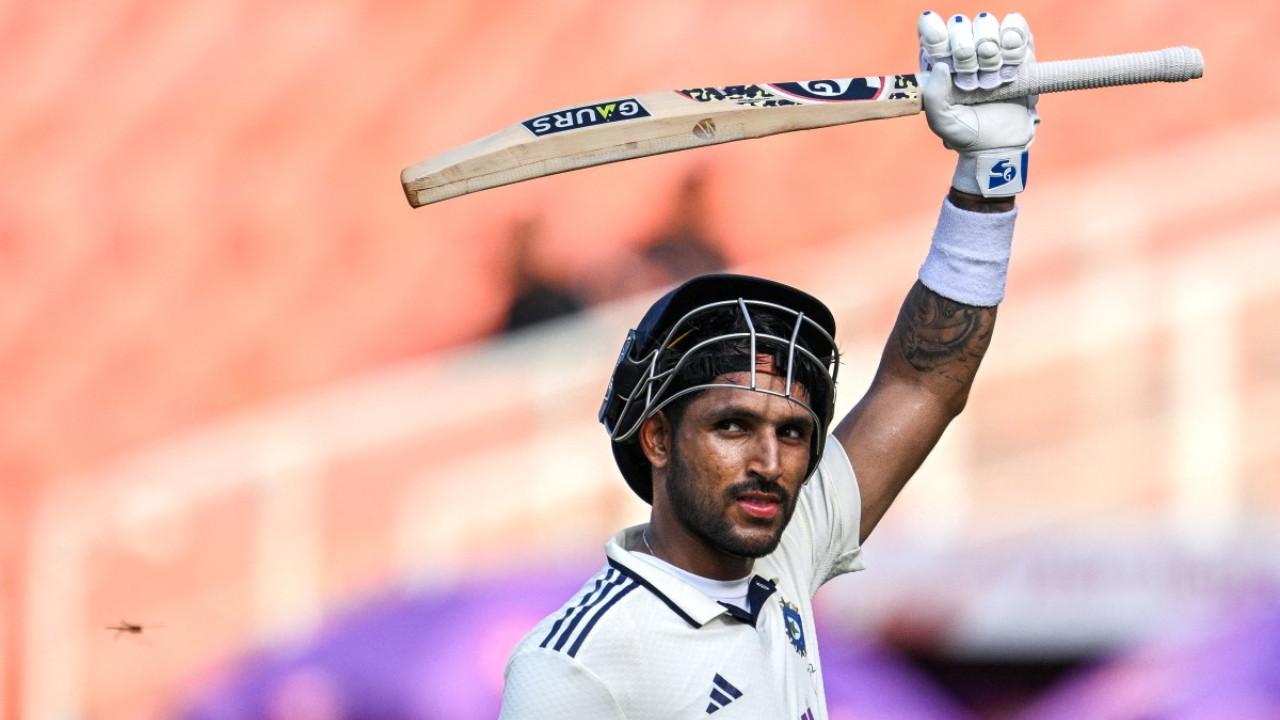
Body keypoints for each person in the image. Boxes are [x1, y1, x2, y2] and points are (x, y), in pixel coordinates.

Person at [499, 10, 1039, 719]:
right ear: (657, 437)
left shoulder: (786, 550)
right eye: (732, 425)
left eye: (792, 432)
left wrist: (987, 182)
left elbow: (924, 381)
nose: (769, 459)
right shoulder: (571, 667)